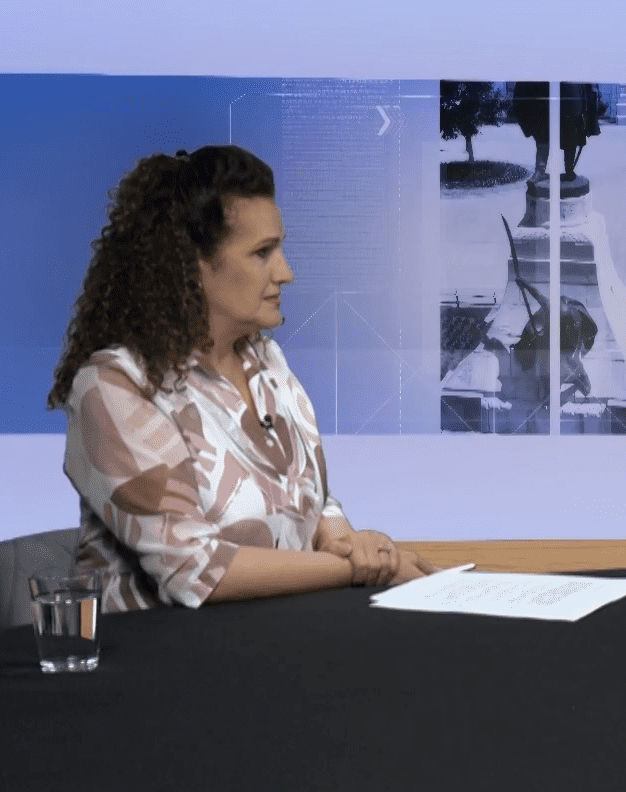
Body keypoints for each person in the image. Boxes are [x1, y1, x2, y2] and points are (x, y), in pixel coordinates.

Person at [46, 145, 439, 611]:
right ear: (191, 264)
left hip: (278, 637)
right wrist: (355, 570)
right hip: (155, 651)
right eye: (262, 253)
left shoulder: (267, 362)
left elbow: (312, 503)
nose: (285, 272)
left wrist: (348, 542)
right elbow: (194, 571)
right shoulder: (114, 387)